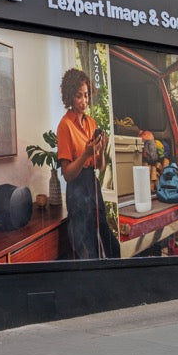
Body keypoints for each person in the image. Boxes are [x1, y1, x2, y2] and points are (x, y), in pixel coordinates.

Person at [56, 68, 119, 259]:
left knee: (108, 241)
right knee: (87, 247)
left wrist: (101, 150)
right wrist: (85, 154)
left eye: (86, 95)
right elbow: (67, 174)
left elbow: (99, 167)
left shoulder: (91, 123)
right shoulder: (65, 126)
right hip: (77, 190)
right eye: (79, 96)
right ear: (69, 97)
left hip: (93, 186)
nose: (84, 101)